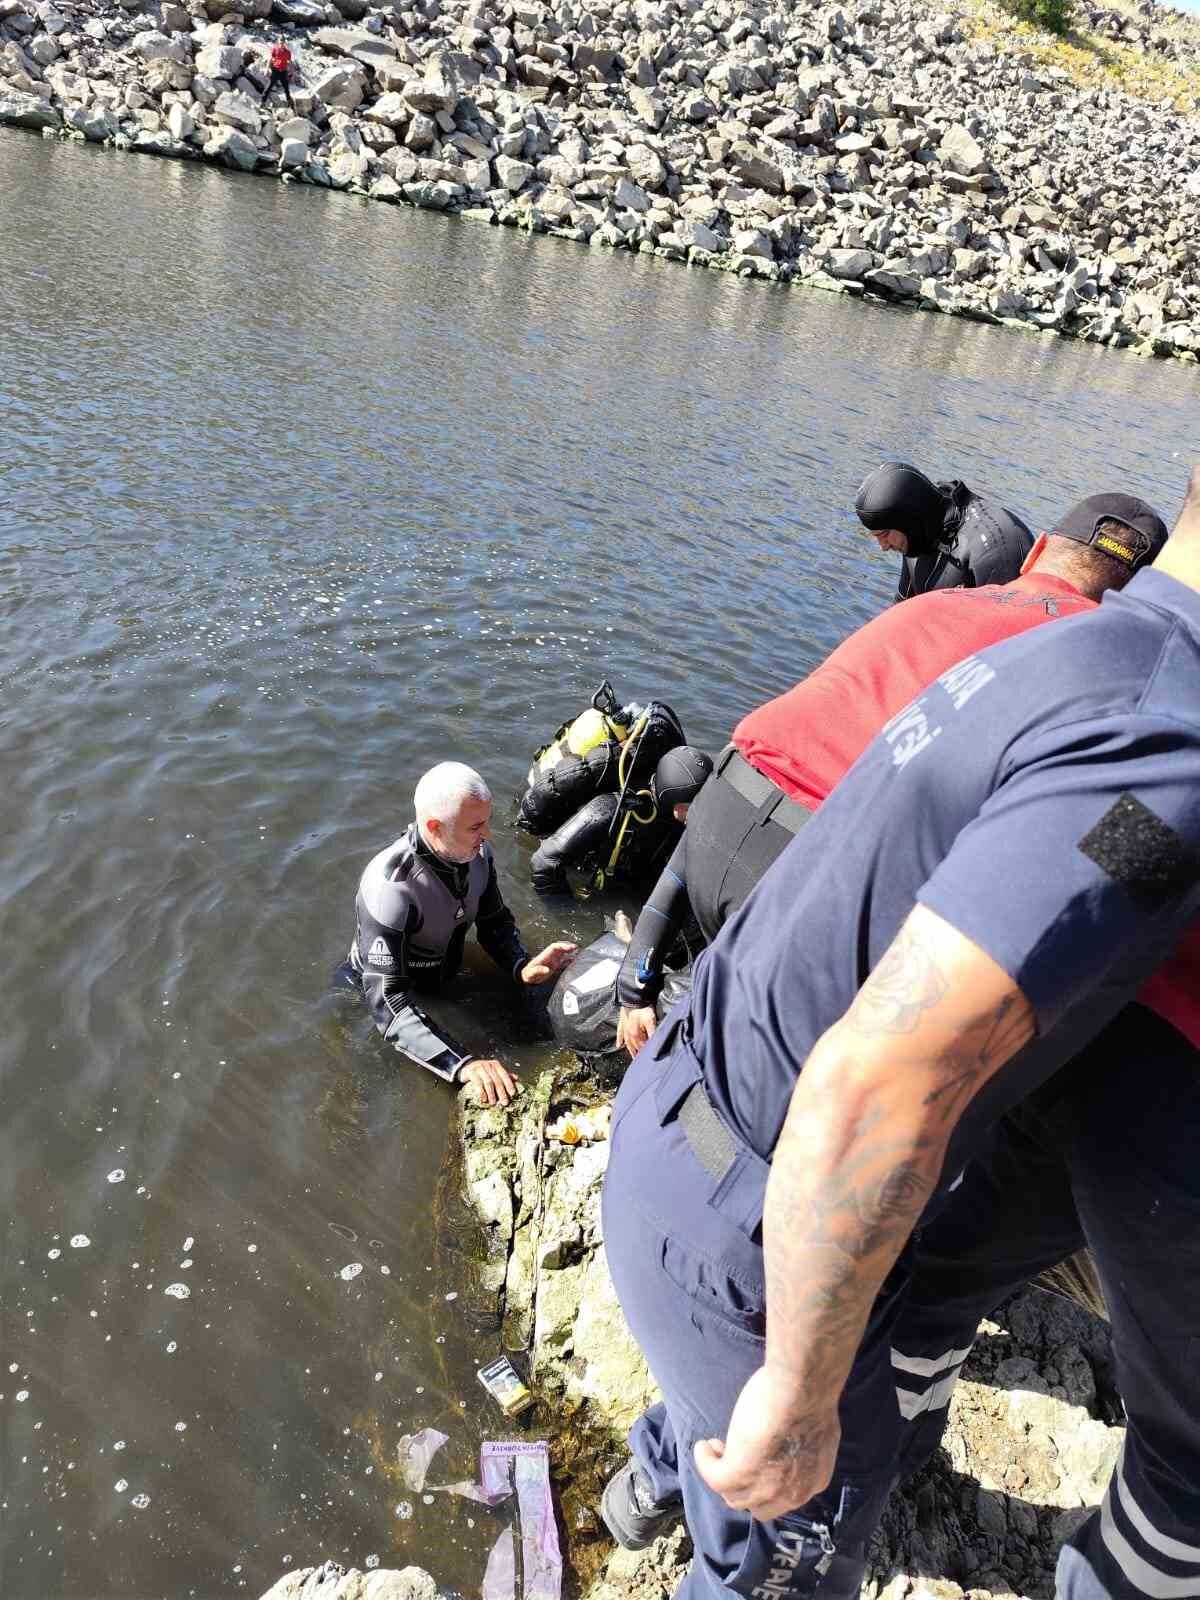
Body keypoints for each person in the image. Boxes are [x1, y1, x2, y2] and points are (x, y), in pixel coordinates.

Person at [597, 467, 1200, 1600]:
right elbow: (883, 1077)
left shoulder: (1058, 642)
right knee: (782, 1568)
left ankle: (645, 1487)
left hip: (683, 1124)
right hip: (758, 1235)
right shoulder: (1168, 748)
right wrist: (801, 1389)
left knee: (723, 1412)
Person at [616, 493, 1169, 1057]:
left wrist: (635, 980)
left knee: (716, 1025)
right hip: (808, 858)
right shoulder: (1112, 672)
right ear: (1140, 601)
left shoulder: (937, 601)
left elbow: (787, 744)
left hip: (720, 808)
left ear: (1039, 552)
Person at [337, 762, 576, 1107]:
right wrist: (462, 1065)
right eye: (476, 826)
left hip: (444, 967)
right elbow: (387, 1003)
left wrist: (520, 965)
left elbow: (494, 921)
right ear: (434, 828)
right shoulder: (391, 887)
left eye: (487, 822)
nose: (488, 835)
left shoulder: (478, 855)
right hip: (380, 987)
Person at [530, 746, 713, 896]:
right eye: (692, 804)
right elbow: (544, 860)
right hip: (585, 872)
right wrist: (565, 913)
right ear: (670, 795)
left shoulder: (672, 815)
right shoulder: (609, 808)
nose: (700, 812)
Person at [855, 461, 1034, 601]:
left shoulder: (997, 547)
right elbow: (898, 616)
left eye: (884, 535)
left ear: (909, 520)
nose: (883, 547)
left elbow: (1011, 637)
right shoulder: (920, 535)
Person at [264, 38, 296, 108]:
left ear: (284, 43)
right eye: (280, 42)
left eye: (283, 42)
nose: (281, 44)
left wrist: (293, 73)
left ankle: (290, 105)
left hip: (283, 72)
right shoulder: (275, 49)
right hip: (275, 70)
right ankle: (262, 102)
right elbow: (270, 59)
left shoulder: (287, 52)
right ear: (278, 42)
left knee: (286, 89)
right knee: (269, 87)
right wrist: (267, 69)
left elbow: (290, 62)